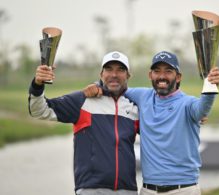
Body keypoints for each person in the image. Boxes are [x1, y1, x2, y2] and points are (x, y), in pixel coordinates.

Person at [84, 51, 219, 195]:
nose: (162, 76)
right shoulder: (142, 96)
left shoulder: (188, 104)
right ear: (150, 75)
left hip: (184, 189)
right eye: (157, 71)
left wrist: (210, 87)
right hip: (148, 190)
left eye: (168, 71)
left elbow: (202, 109)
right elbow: (114, 87)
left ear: (178, 76)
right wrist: (96, 84)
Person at [28, 51, 139, 195]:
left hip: (127, 190)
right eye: (109, 69)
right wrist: (38, 84)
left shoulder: (135, 106)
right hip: (91, 189)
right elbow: (39, 110)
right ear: (101, 74)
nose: (114, 74)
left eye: (120, 70)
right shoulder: (83, 99)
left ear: (128, 76)